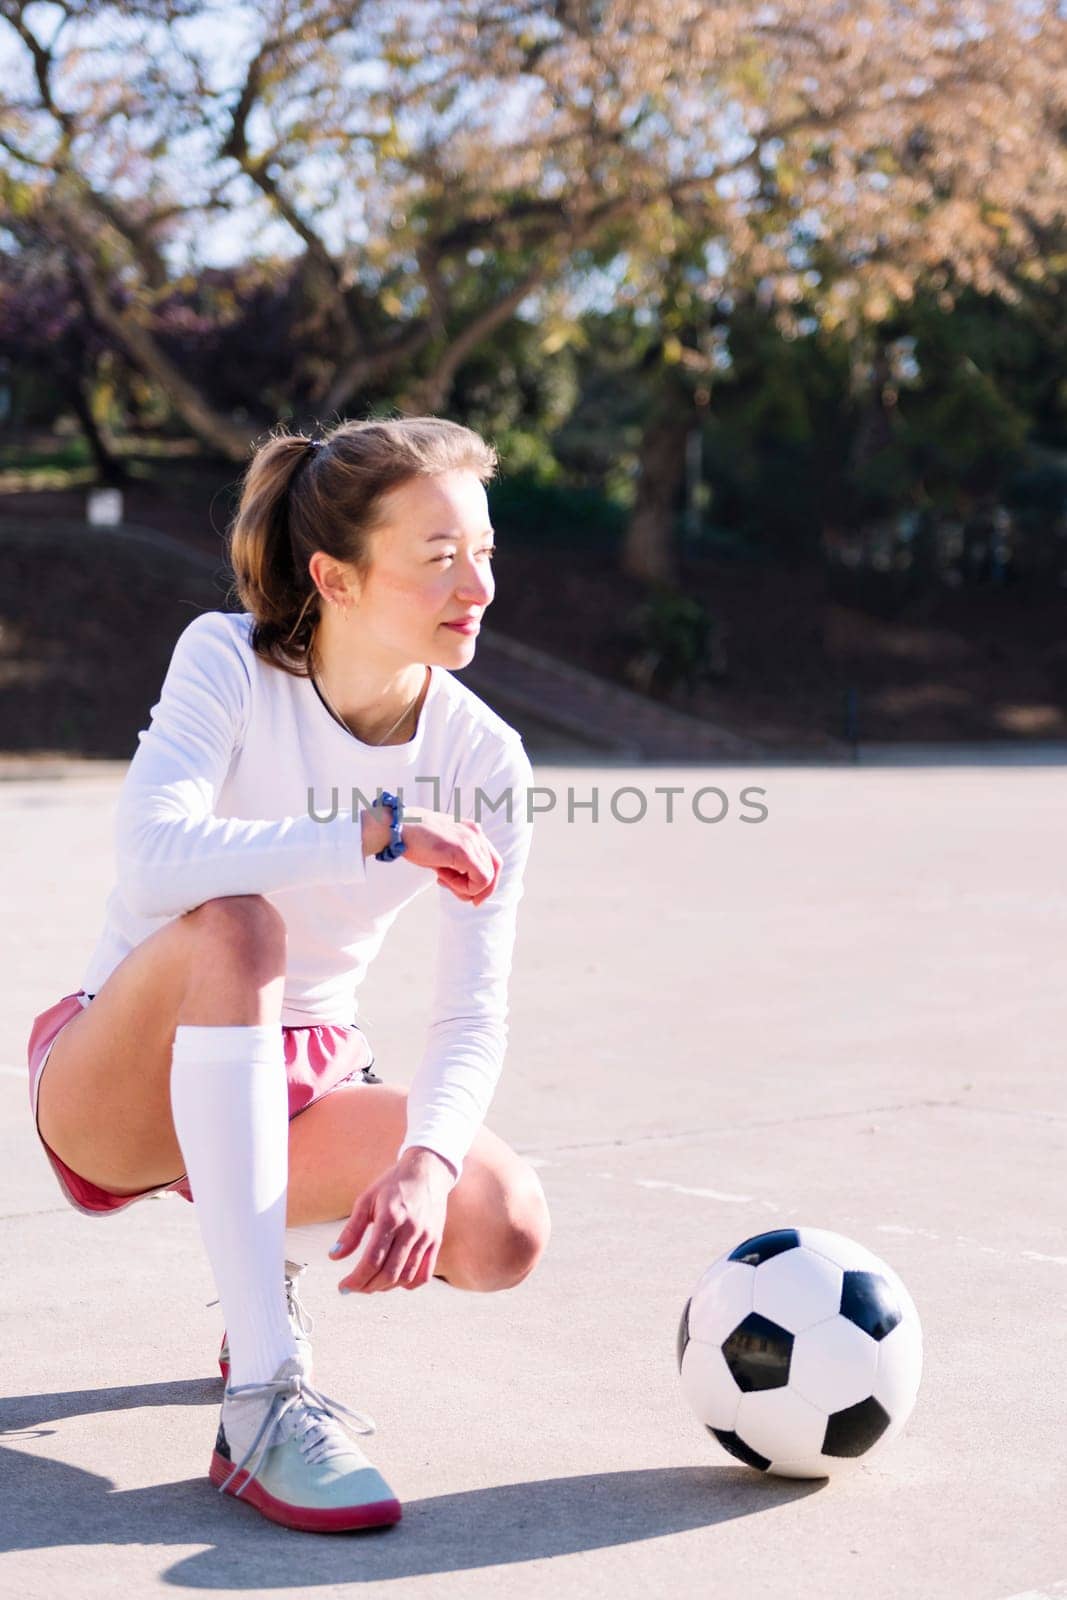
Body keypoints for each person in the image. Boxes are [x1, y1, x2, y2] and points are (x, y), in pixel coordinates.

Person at [24, 416, 550, 1534]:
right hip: (126, 1062)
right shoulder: (225, 657)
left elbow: (472, 1007)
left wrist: (424, 1160)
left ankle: (262, 1287)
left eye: (487, 552)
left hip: (300, 1077)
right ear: (335, 577)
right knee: (239, 930)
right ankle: (261, 1392)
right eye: (441, 555)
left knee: (497, 1221)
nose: (479, 586)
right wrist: (371, 834)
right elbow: (153, 855)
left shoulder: (481, 754)